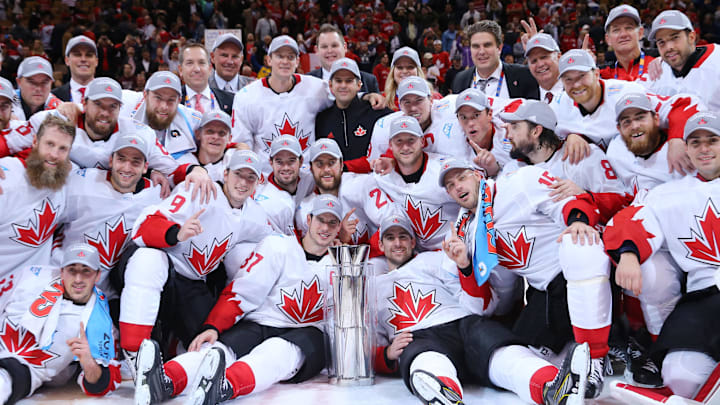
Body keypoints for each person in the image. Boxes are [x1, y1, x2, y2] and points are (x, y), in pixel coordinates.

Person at [133, 195, 343, 405]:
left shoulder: (343, 263)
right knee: (217, 351)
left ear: (339, 227)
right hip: (263, 322)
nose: (325, 227)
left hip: (308, 333)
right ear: (308, 220)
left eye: (332, 222)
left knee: (277, 353)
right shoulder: (278, 246)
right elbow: (243, 291)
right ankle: (163, 381)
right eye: (320, 220)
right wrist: (213, 327)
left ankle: (224, 387)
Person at [373, 213, 592, 405]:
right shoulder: (371, 286)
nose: (398, 243)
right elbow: (368, 344)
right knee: (425, 360)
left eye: (403, 237)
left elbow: (472, 300)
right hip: (418, 335)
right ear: (381, 245)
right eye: (390, 238)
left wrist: (464, 266)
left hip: (463, 323)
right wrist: (386, 355)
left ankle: (552, 387)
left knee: (504, 353)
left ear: (413, 241)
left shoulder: (434, 259)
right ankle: (443, 392)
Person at [116, 150, 272, 367]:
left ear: (257, 182)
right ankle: (135, 353)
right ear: (225, 174)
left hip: (191, 282)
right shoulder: (200, 191)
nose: (243, 182)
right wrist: (176, 233)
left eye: (250, 177)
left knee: (210, 340)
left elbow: (272, 245)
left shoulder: (255, 215)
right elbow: (143, 226)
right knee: (148, 260)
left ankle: (178, 353)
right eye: (239, 174)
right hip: (162, 267)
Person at [603, 111, 720, 400]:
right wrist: (628, 254)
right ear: (687, 149)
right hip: (704, 296)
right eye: (695, 143)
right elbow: (631, 219)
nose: (704, 149)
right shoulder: (669, 195)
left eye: (713, 140)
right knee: (681, 377)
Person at [29, 78, 215, 199]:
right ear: (84, 103)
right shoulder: (53, 122)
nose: (104, 112)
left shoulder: (139, 132)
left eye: (112, 106)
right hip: (60, 199)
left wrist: (196, 171)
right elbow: (14, 139)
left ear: (120, 108)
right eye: (98, 104)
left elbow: (172, 170)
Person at [0, 243, 120, 405]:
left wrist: (88, 361)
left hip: (24, 370)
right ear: (62, 271)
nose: (78, 279)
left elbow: (104, 382)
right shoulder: (32, 276)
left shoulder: (99, 321)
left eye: (86, 271)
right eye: (72, 270)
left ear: (97, 275)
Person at [53, 134, 163, 303]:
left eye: (135, 162)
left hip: (109, 296)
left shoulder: (156, 195)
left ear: (145, 167)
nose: (127, 168)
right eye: (121, 159)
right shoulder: (82, 181)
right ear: (111, 161)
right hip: (62, 282)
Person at [553, 49, 701, 171]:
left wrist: (676, 138)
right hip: (605, 179)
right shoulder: (559, 104)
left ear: (597, 74)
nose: (576, 84)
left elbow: (684, 104)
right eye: (568, 79)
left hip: (647, 167)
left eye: (582, 76)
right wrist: (571, 136)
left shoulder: (626, 91)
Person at [231, 35, 332, 171]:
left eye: (290, 57)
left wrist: (367, 96)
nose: (285, 61)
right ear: (269, 60)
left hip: (305, 175)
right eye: (279, 56)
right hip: (266, 178)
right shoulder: (246, 96)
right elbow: (242, 144)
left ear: (297, 62)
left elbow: (345, 95)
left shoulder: (316, 88)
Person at [0, 115, 75, 280]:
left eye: (63, 148)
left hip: (29, 292)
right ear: (35, 142)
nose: (54, 154)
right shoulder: (6, 178)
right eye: (50, 144)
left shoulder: (66, 181)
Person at [374, 116, 460, 252]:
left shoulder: (444, 169)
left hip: (454, 250)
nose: (405, 147)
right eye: (399, 141)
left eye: (411, 140)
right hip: (416, 255)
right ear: (390, 145)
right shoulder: (383, 177)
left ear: (422, 141)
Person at [295, 138, 397, 245]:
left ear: (341, 165)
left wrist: (366, 252)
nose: (326, 169)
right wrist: (341, 239)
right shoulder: (305, 210)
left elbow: (393, 223)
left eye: (331, 163)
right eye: (320, 164)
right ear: (311, 169)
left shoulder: (359, 185)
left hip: (377, 256)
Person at [315, 58, 393, 173]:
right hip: (336, 186)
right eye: (338, 81)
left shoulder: (377, 111)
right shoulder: (322, 119)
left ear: (359, 85)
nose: (343, 85)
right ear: (331, 85)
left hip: (374, 184)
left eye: (349, 81)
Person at [370, 77, 470, 164]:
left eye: (419, 100)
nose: (413, 108)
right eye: (407, 102)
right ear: (400, 106)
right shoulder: (385, 126)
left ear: (431, 100)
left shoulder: (452, 106)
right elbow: (374, 164)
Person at [642, 10, 720, 112]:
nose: (669, 47)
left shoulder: (716, 61)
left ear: (691, 37)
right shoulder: (655, 72)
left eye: (675, 38)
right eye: (661, 42)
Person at [121, 71, 203, 165]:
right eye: (158, 98)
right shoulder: (125, 103)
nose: (164, 106)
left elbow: (218, 129)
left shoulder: (190, 118)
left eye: (171, 100)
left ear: (179, 101)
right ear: (145, 95)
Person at [451, 21, 539, 99]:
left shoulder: (523, 75)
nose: (481, 52)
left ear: (499, 48)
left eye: (487, 45)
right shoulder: (460, 80)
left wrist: (538, 53)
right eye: (476, 46)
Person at [309, 24, 379, 94]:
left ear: (345, 47)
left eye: (334, 45)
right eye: (324, 47)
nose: (329, 51)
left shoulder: (369, 81)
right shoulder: (307, 81)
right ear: (316, 50)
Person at [598, 5, 658, 82]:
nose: (623, 34)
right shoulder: (602, 75)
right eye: (616, 30)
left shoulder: (660, 60)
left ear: (640, 33)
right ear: (608, 39)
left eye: (629, 28)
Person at [178, 43, 234, 115]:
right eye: (190, 63)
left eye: (201, 63)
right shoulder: (172, 102)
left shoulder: (231, 101)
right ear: (180, 70)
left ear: (210, 69)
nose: (197, 69)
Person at [12, 57, 62, 121]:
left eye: (44, 82)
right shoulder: (6, 103)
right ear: (19, 82)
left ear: (51, 84)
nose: (38, 88)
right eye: (32, 82)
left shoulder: (59, 108)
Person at [52, 35, 99, 103]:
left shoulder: (111, 95)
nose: (83, 59)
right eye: (77, 55)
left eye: (89, 55)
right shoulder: (53, 97)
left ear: (96, 61)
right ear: (67, 60)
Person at [524, 33, 563, 103]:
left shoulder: (576, 92)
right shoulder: (527, 101)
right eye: (534, 61)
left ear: (559, 57)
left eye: (544, 57)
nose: (540, 64)